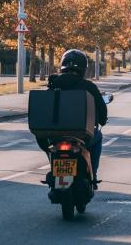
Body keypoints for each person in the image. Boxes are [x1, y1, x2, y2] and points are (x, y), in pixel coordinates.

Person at [36, 49, 108, 189]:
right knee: (98, 137)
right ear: (83, 68)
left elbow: (46, 108)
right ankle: (92, 174)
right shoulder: (89, 87)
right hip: (81, 135)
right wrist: (102, 120)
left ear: (62, 65)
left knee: (48, 146)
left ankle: (54, 165)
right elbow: (102, 111)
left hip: (54, 135)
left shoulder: (53, 84)